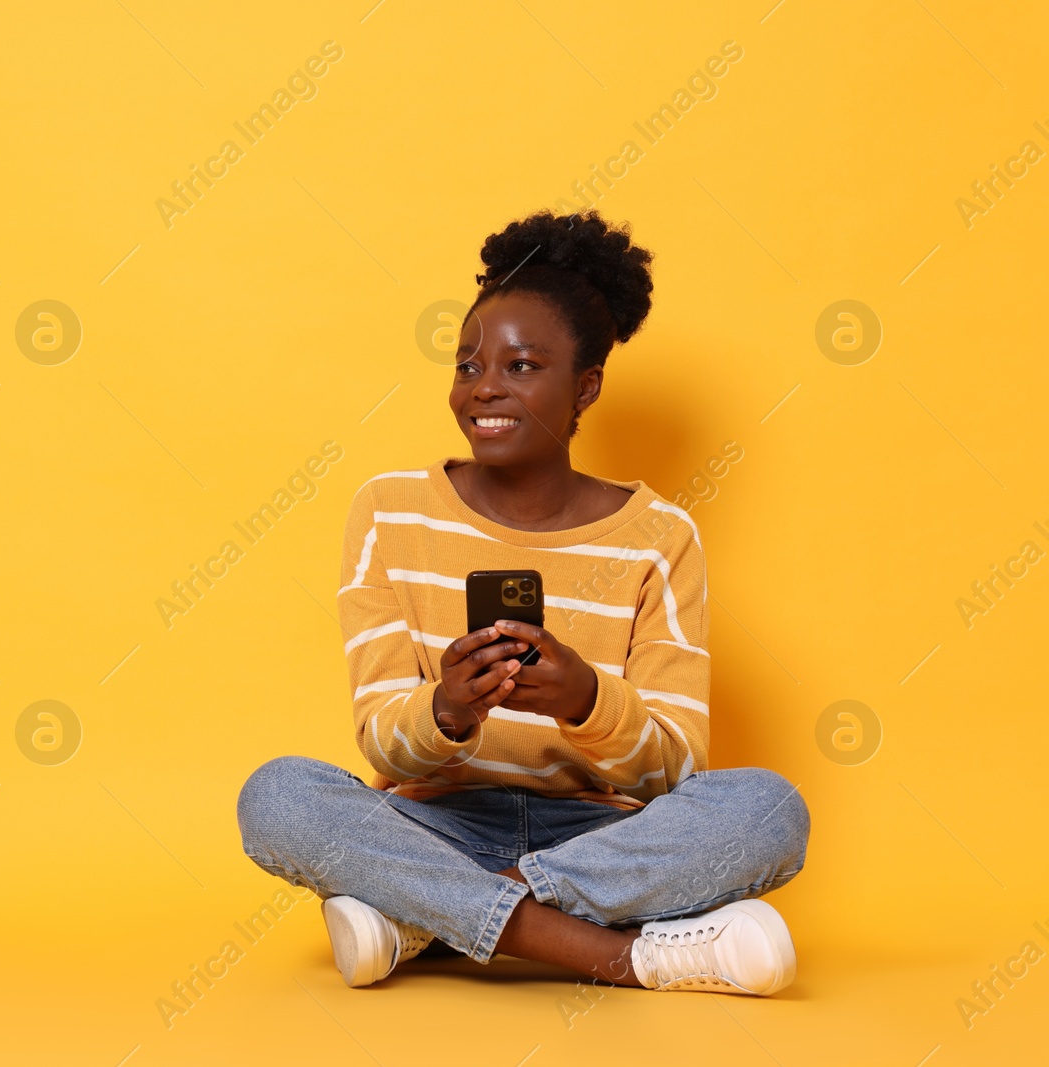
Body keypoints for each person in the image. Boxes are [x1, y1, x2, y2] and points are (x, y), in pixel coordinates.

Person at [235, 210, 810, 994]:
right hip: (432, 825)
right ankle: (620, 955)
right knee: (277, 795)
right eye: (468, 366)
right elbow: (381, 747)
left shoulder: (661, 536)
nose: (486, 389)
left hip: (601, 835)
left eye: (523, 365)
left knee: (769, 811)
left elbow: (677, 770)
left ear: (586, 386)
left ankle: (417, 920)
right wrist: (446, 711)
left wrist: (587, 700)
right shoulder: (389, 511)